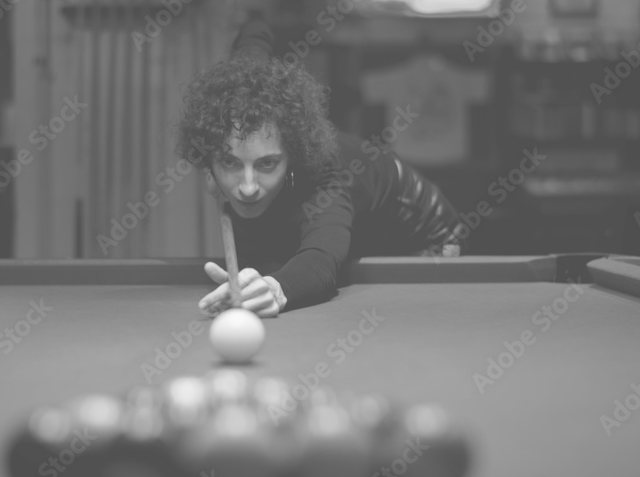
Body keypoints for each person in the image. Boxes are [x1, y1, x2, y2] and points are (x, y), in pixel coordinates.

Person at [175, 17, 464, 317]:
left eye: (267, 163)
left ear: (291, 155)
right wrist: (257, 19)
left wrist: (278, 287)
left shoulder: (327, 177)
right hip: (355, 224)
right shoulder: (244, 98)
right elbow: (254, 40)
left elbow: (321, 258)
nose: (247, 186)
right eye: (231, 162)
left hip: (423, 238)